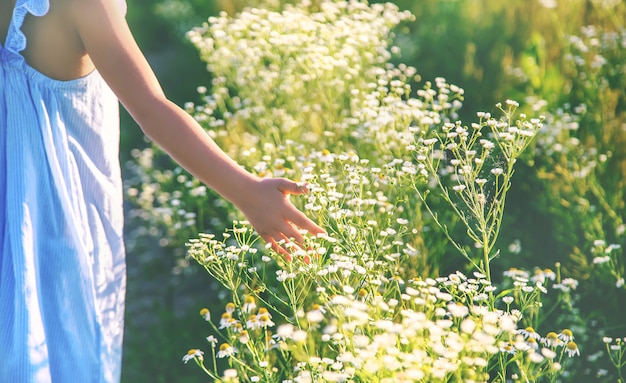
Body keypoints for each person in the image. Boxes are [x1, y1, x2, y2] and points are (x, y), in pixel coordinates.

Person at [0, 0, 325, 381]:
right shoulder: (86, 5)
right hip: (54, 214)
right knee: (58, 337)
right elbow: (151, 109)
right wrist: (247, 191)